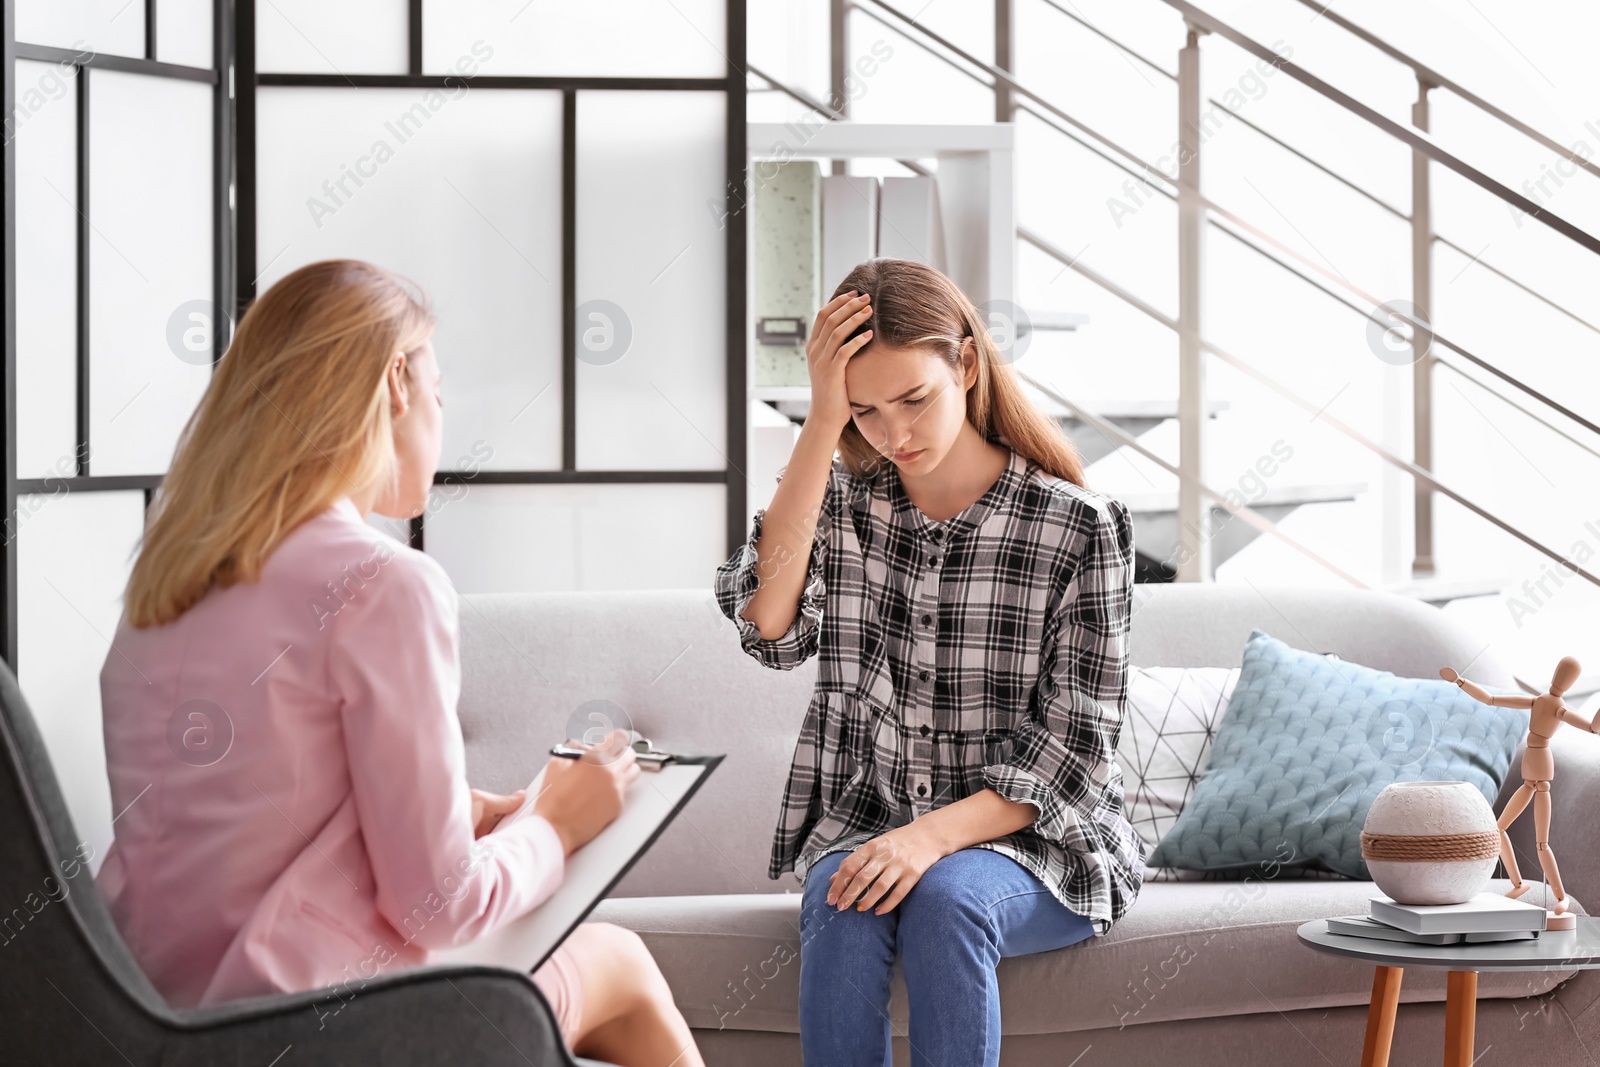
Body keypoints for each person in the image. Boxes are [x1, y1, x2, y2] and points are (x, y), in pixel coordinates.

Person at [99, 259, 703, 1067]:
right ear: (395, 382)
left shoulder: (163, 588)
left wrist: (451, 812)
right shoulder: (384, 585)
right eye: (440, 391)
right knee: (619, 960)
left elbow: (239, 827)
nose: (442, 419)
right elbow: (438, 907)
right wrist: (556, 823)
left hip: (140, 1021)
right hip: (315, 1033)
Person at [712, 257, 1145, 1066]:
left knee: (947, 898)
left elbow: (1071, 759)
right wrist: (818, 423)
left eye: (915, 399)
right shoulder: (838, 503)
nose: (895, 434)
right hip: (871, 823)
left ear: (967, 366)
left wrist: (928, 841)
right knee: (842, 904)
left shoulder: (1079, 528)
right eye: (865, 411)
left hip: (1040, 843)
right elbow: (770, 626)